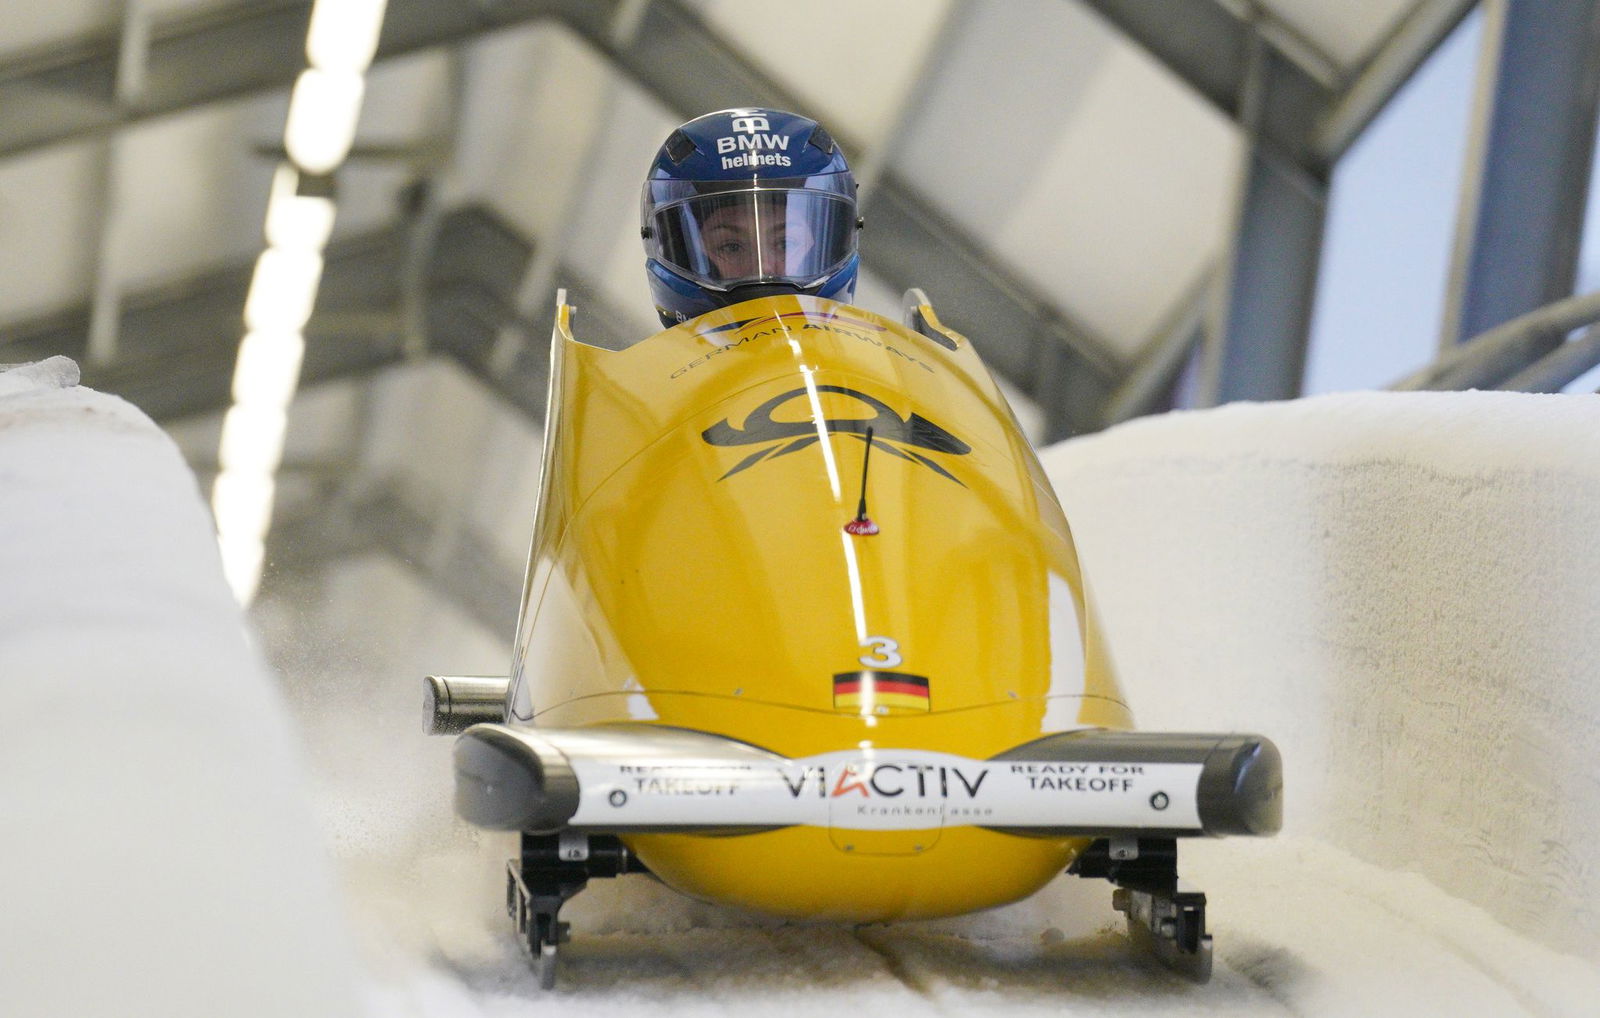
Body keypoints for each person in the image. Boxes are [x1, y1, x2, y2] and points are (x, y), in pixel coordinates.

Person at [641, 108, 862, 327]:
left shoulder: (880, 361)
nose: (763, 267)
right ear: (681, 251)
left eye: (785, 243)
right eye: (731, 247)